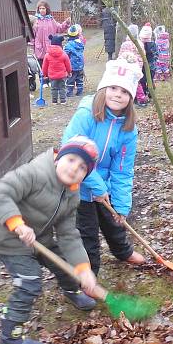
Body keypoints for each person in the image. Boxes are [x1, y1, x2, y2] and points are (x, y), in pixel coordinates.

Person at [0, 136, 101, 344]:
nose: (75, 168)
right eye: (72, 159)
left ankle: (72, 290)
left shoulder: (72, 193)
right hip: (7, 238)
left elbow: (68, 235)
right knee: (29, 282)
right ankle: (11, 339)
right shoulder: (34, 173)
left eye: (83, 166)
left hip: (39, 235)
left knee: (66, 263)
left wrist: (84, 269)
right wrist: (17, 224)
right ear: (59, 157)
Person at [62, 59, 147, 276]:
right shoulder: (85, 116)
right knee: (87, 233)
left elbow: (122, 170)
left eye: (124, 92)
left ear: (130, 98)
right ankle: (87, 275)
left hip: (105, 186)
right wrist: (97, 187)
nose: (118, 94)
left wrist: (121, 205)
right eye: (113, 88)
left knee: (114, 221)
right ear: (103, 89)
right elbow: (72, 154)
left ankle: (123, 251)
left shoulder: (128, 130)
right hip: (77, 186)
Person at [32, 0, 70, 68]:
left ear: (47, 9)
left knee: (51, 71)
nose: (41, 10)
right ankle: (42, 79)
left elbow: (59, 28)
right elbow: (32, 34)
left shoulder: (51, 20)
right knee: (42, 72)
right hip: (39, 51)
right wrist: (33, 46)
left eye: (43, 8)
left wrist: (66, 23)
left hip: (50, 50)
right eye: (40, 8)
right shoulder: (35, 20)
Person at [42, 34, 71, 105]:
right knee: (62, 87)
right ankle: (63, 100)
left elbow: (44, 66)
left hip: (52, 76)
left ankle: (54, 101)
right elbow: (68, 64)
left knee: (53, 88)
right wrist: (69, 72)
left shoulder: (47, 55)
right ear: (60, 44)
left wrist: (44, 74)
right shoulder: (64, 54)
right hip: (62, 75)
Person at [64, 25, 86, 99]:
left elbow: (65, 55)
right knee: (79, 79)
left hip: (72, 66)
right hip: (80, 65)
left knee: (71, 79)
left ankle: (69, 92)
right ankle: (80, 91)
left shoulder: (68, 45)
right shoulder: (80, 44)